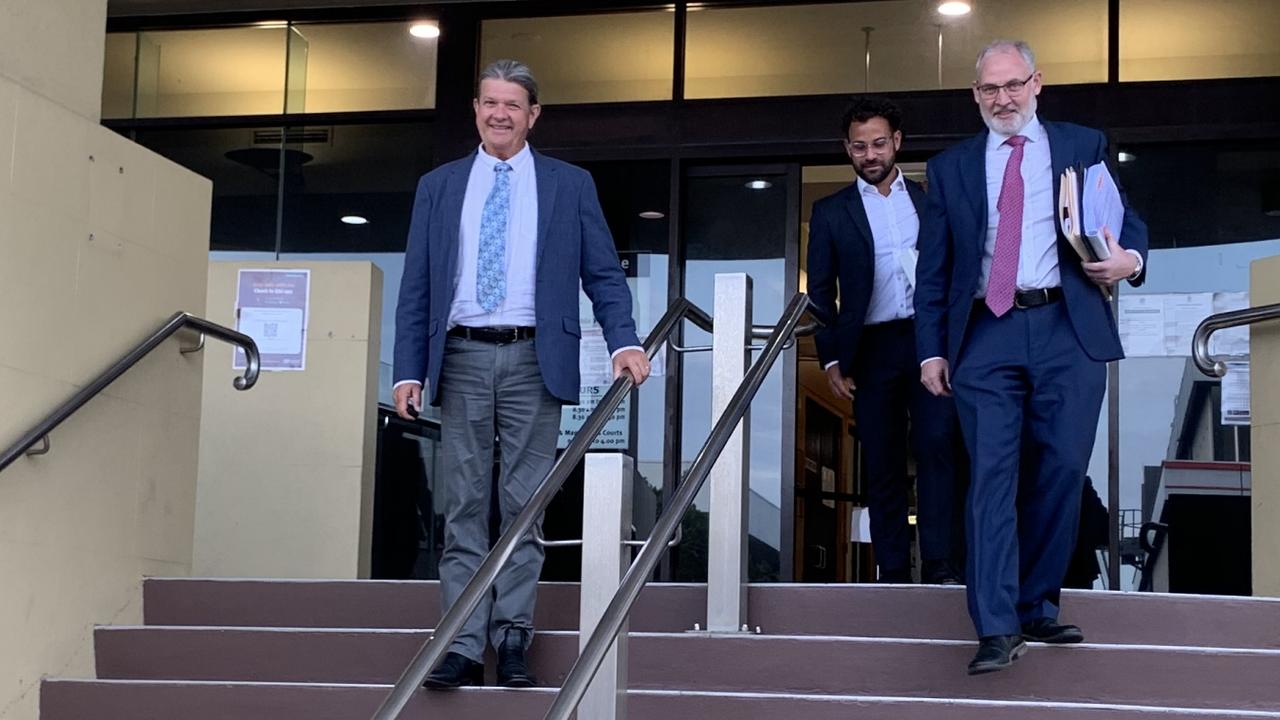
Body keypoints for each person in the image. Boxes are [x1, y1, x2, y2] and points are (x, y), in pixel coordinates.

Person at [392, 59, 650, 689]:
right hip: (460, 357)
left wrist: (625, 341)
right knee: (462, 505)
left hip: (538, 358)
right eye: (489, 103)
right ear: (475, 110)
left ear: (534, 115)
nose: (499, 114)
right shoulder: (440, 185)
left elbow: (603, 273)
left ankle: (512, 637)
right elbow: (418, 284)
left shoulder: (568, 184)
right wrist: (406, 371)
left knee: (524, 508)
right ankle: (458, 642)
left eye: (513, 105)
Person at [913, 39, 1148, 675]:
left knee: (1063, 468)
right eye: (989, 89)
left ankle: (1036, 603)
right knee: (990, 474)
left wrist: (1131, 259)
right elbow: (932, 272)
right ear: (975, 95)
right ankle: (994, 625)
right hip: (985, 332)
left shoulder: (1081, 144)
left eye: (1013, 85)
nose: (1002, 99)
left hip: (1067, 328)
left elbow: (1126, 219)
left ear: (1037, 83)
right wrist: (931, 350)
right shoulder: (952, 167)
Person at [807, 97, 966, 585]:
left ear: (897, 142)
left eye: (878, 143)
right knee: (881, 455)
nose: (870, 154)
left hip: (926, 341)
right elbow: (819, 293)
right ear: (846, 149)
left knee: (938, 444)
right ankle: (893, 568)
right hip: (870, 348)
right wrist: (831, 358)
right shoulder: (831, 212)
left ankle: (940, 562)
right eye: (859, 147)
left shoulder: (928, 201)